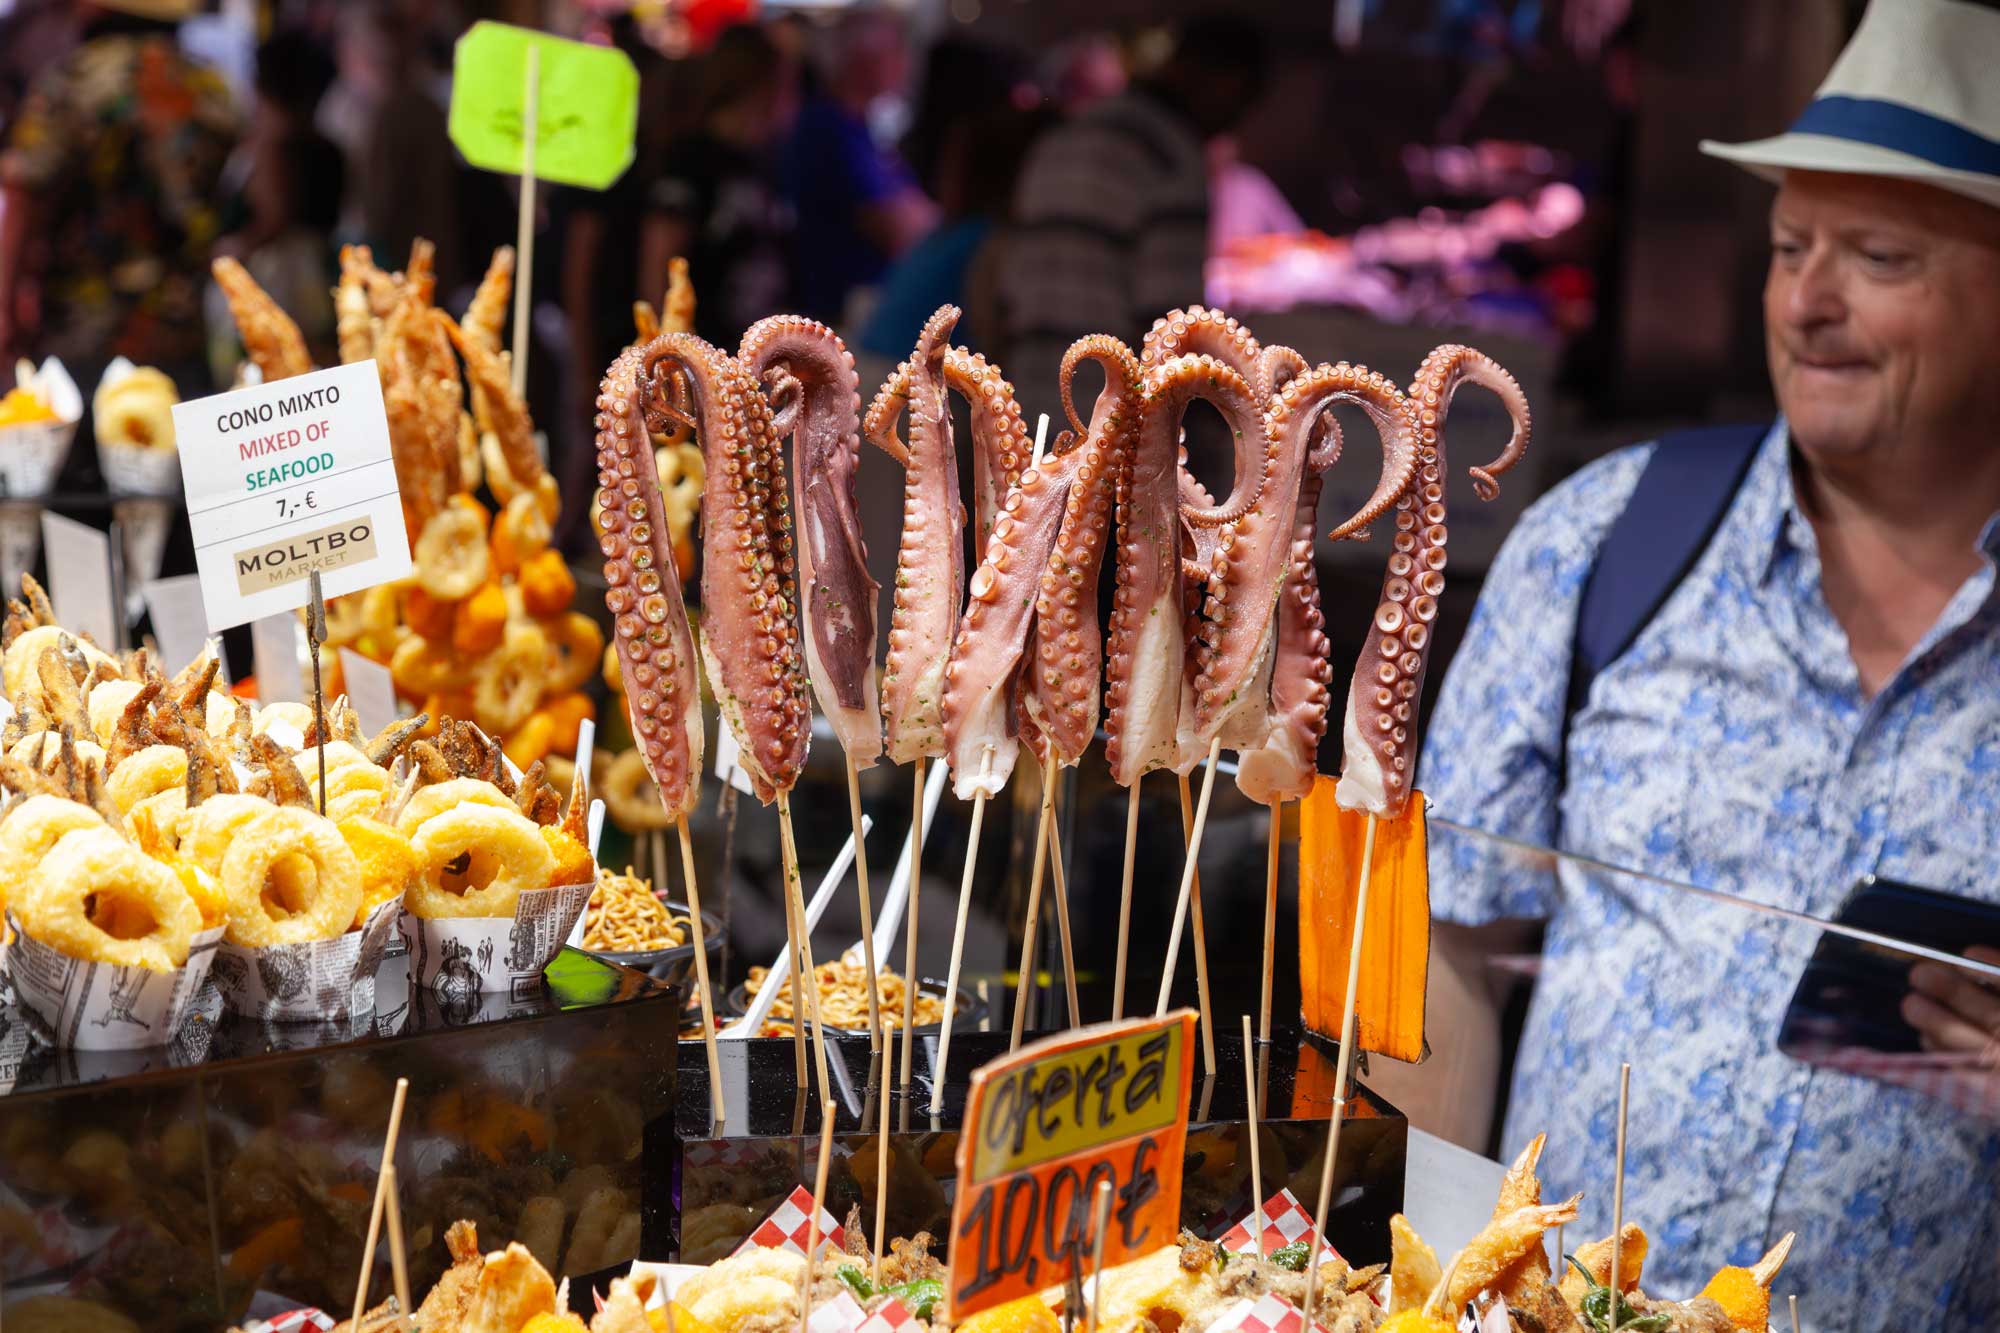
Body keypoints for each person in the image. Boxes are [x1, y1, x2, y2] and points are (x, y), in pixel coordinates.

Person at [1415, 0, 2000, 1321]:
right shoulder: (1604, 548)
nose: (1808, 300)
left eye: (1882, 256)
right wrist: (1439, 1297)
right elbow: (1447, 959)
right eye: (1790, 246)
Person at [995, 12, 1265, 414]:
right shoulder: (1172, 158)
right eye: (1242, 98)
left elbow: (1007, 283)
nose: (1237, 119)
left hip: (1025, 402)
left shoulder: (1065, 137)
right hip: (1109, 427)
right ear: (1220, 80)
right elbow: (1172, 332)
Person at [0, 0, 235, 372]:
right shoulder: (211, 86)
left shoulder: (75, 79)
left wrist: (5, 304)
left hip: (84, 324)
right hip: (180, 323)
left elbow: (25, 188)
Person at [638, 21, 799, 347]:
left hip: (754, 355)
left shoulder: (765, 162)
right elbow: (659, 264)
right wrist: (669, 353)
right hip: (704, 353)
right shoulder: (692, 161)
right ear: (762, 84)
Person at [779, 11, 936, 326]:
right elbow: (897, 228)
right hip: (837, 319)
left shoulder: (859, 128)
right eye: (896, 50)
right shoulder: (829, 129)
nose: (904, 63)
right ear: (863, 60)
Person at [215, 30, 345, 369]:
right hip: (316, 277)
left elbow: (275, 216)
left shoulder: (273, 148)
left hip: (281, 281)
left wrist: (235, 247)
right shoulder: (327, 147)